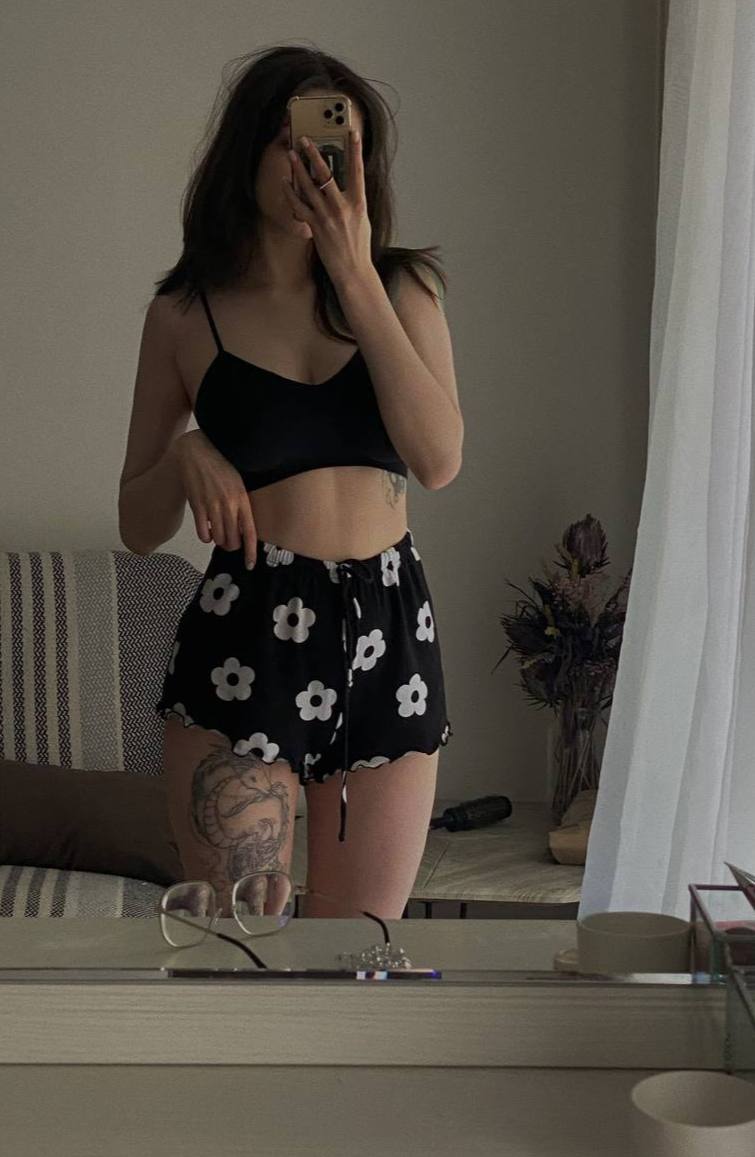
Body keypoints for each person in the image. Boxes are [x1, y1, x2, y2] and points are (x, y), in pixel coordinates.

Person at [118, 45, 463, 920]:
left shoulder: (402, 289)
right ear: (247, 151)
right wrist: (186, 453)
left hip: (388, 630)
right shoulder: (184, 314)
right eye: (290, 141)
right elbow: (137, 523)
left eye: (337, 145)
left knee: (359, 951)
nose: (315, 164)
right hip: (246, 632)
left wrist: (353, 271)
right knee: (240, 944)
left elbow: (437, 459)